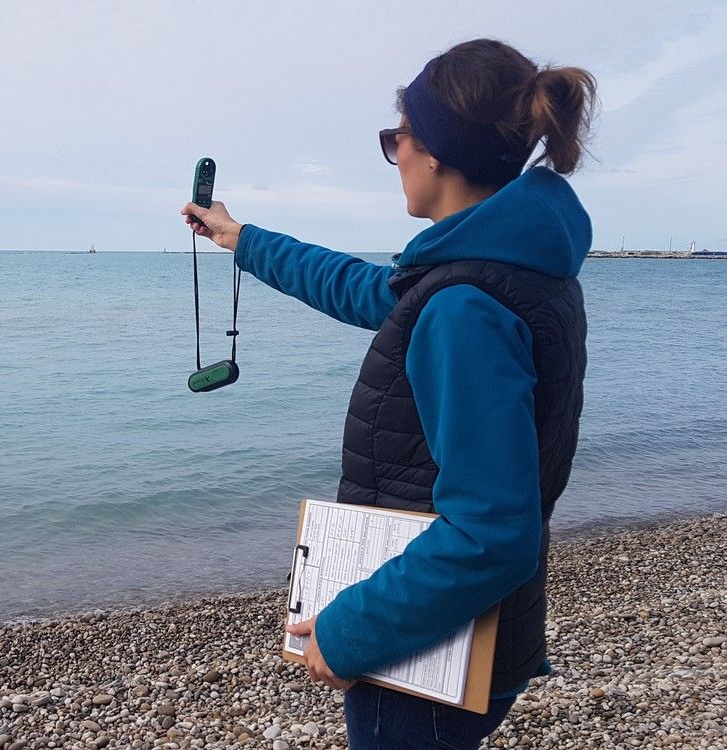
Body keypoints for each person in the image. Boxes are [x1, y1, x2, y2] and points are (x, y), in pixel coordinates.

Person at [181, 38, 597, 750]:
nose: (393, 153)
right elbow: (365, 289)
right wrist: (240, 237)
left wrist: (350, 633)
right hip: (475, 629)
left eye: (395, 136)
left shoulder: (466, 306)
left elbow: (493, 535)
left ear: (436, 152)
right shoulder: (507, 267)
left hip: (433, 653)